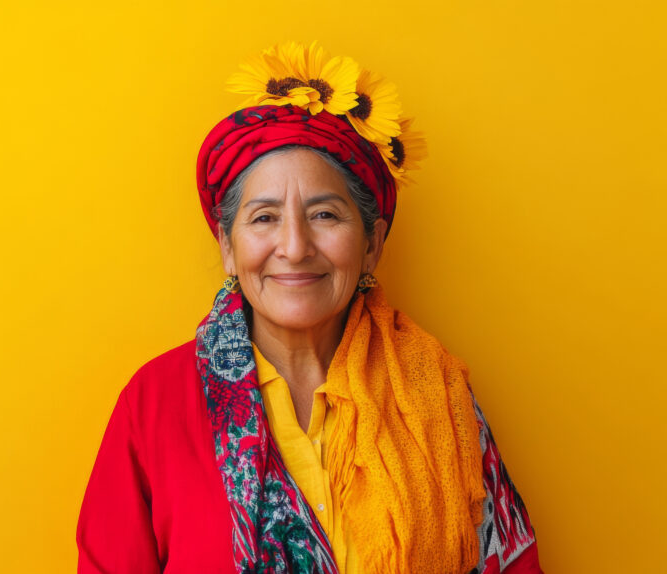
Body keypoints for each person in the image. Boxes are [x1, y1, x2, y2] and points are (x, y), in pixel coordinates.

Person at [76, 42, 543, 574]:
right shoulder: (154, 405)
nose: (295, 247)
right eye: (264, 218)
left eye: (324, 214)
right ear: (228, 247)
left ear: (372, 243)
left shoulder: (436, 397)